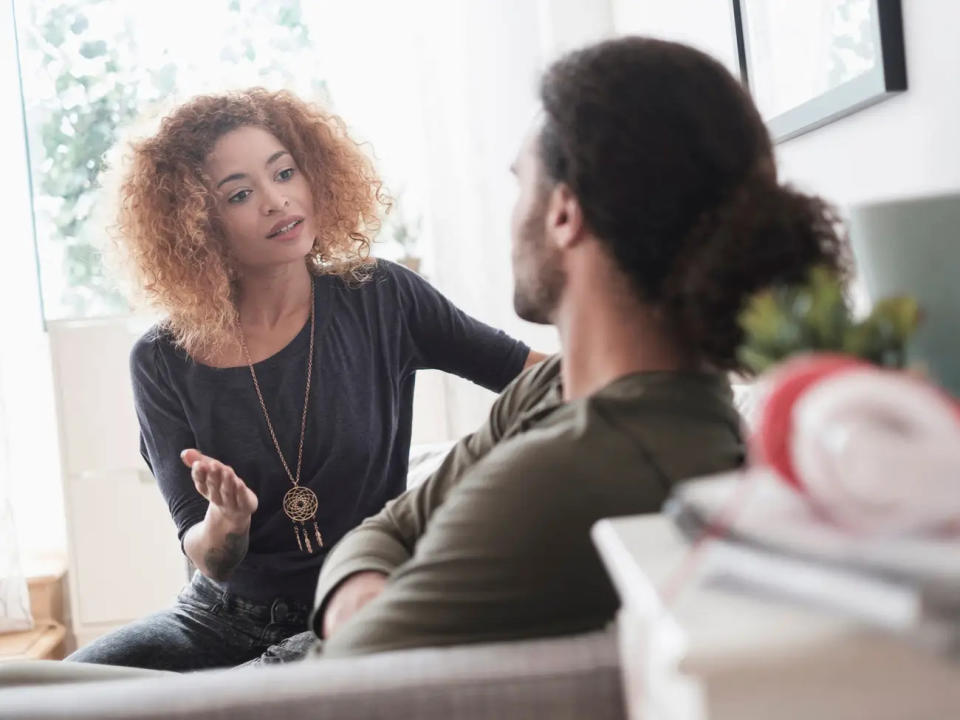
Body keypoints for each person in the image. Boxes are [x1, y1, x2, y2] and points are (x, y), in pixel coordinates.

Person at [312, 35, 846, 657]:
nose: (511, 221)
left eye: (522, 185)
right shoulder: (558, 385)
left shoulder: (575, 473)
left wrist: (360, 589)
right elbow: (388, 525)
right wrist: (365, 580)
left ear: (564, 212)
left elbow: (345, 675)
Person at [67, 88, 544, 671]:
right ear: (196, 225)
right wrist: (229, 519)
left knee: (260, 693)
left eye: (285, 172)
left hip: (356, 606)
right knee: (59, 692)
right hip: (220, 618)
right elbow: (209, 558)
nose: (277, 201)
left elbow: (532, 377)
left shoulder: (382, 296)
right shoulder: (161, 360)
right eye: (240, 194)